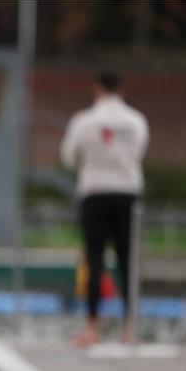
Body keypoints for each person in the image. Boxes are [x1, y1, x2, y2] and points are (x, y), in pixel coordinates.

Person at [60, 70, 149, 347]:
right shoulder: (136, 121)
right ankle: (128, 328)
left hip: (95, 193)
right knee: (128, 261)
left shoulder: (83, 121)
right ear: (122, 88)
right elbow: (140, 152)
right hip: (127, 195)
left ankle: (92, 327)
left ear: (96, 88)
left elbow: (68, 157)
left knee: (95, 260)